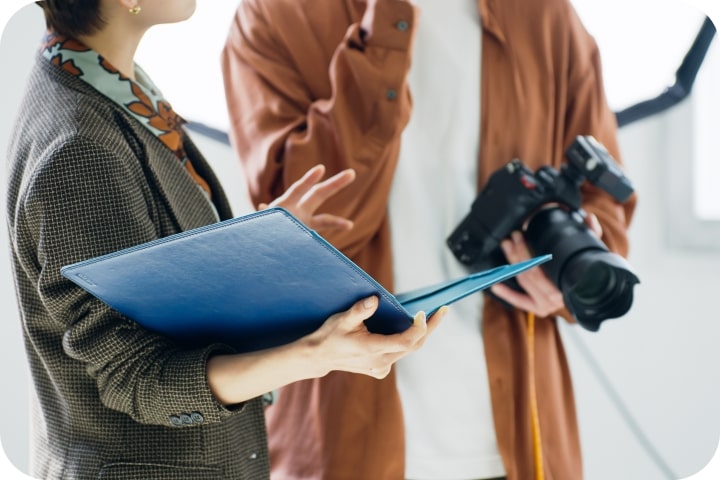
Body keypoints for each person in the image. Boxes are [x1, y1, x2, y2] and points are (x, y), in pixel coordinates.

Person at [4, 1, 445, 478]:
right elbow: (135, 376)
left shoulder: (107, 84)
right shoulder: (80, 149)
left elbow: (151, 277)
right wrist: (315, 355)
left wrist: (257, 241)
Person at [221, 0, 637, 479]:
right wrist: (384, 34)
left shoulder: (544, 14)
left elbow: (606, 198)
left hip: (521, 443)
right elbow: (301, 230)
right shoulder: (275, 14)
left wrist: (565, 273)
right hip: (342, 439)